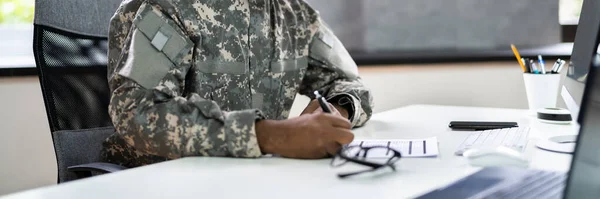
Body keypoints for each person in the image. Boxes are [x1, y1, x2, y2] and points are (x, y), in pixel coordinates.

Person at [101, 0, 374, 168]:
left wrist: (338, 109)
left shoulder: (295, 15)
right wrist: (273, 136)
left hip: (251, 178)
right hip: (158, 182)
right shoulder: (167, 6)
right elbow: (137, 112)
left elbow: (347, 82)